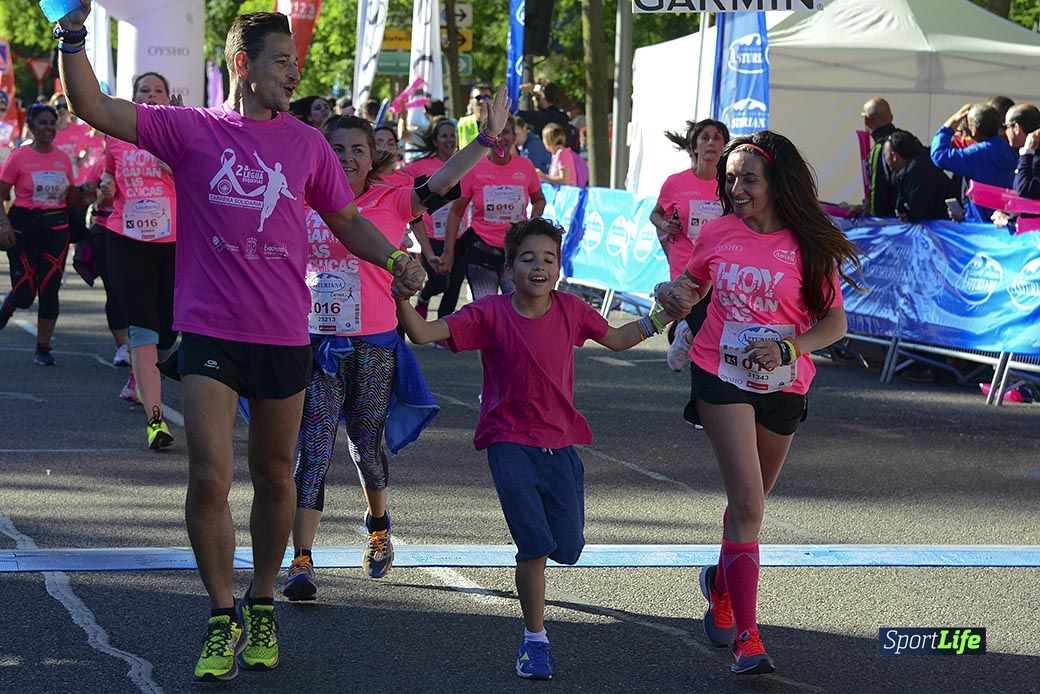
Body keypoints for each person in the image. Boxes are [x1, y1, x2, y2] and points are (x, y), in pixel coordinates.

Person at [55, 6, 425, 682]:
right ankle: (222, 614)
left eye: (293, 61)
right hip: (211, 331)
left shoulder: (308, 145)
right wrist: (70, 33)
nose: (294, 71)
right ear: (242, 66)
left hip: (285, 334)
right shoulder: (191, 129)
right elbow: (91, 105)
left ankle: (262, 601)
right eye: (281, 61)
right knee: (209, 477)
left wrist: (396, 260)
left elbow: (345, 221)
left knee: (278, 476)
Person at [396, 217, 679, 681]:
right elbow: (424, 335)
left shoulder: (571, 310)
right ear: (509, 270)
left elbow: (621, 338)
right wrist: (401, 298)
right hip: (508, 443)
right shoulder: (489, 313)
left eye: (548, 258)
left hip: (561, 444)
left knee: (566, 548)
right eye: (527, 258)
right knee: (533, 546)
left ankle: (539, 612)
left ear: (560, 268)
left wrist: (665, 316)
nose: (539, 266)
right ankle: (535, 641)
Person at [283, 87, 511, 602]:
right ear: (321, 153)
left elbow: (445, 181)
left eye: (356, 151)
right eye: (336, 150)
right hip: (315, 342)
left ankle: (379, 524)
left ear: (373, 158)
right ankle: (301, 558)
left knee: (366, 443)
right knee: (313, 447)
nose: (346, 159)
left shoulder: (392, 198)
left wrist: (486, 139)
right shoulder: (297, 198)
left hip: (375, 342)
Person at [655, 131, 862, 676]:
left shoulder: (810, 243)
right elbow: (692, 284)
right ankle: (748, 636)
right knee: (747, 503)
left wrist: (788, 346)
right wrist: (673, 295)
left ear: (777, 183)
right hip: (719, 372)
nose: (736, 188)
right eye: (730, 179)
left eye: (748, 179)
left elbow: (834, 322)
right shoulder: (720, 230)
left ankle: (722, 582)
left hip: (786, 381)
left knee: (752, 504)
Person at [104, 71, 181, 449]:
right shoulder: (116, 135)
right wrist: (103, 190)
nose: (150, 96)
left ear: (168, 97)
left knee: (167, 335)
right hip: (126, 239)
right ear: (132, 97)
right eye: (143, 91)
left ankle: (144, 371)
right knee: (143, 330)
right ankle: (156, 420)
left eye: (157, 91)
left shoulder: (182, 133)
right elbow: (108, 182)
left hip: (173, 243)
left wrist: (176, 151)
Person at [0, 103, 83, 363]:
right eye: (42, 123)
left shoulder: (62, 159)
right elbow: (1, 195)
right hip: (24, 228)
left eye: (52, 123)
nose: (48, 128)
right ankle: (10, 304)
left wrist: (85, 195)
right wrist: (4, 225)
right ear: (32, 127)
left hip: (56, 230)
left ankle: (43, 349)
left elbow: (70, 198)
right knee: (25, 293)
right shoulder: (19, 157)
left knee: (49, 289)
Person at [650, 118, 729, 371]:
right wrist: (665, 226)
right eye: (705, 137)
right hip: (687, 266)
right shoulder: (676, 183)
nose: (711, 142)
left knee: (714, 327)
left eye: (717, 138)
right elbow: (656, 214)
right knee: (701, 321)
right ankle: (685, 335)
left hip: (721, 267)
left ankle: (684, 334)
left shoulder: (730, 184)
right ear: (694, 146)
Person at [442, 113, 545, 301]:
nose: (500, 139)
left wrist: (530, 226)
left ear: (514, 137)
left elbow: (539, 200)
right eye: (495, 133)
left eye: (505, 133)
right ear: (486, 137)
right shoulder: (474, 168)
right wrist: (448, 252)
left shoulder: (525, 166)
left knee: (517, 307)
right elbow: (456, 212)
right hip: (481, 248)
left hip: (514, 249)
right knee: (487, 308)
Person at [403, 118, 468, 322]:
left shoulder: (465, 163)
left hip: (460, 232)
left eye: (452, 135)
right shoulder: (419, 167)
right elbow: (400, 183)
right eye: (444, 136)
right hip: (431, 234)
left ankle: (444, 326)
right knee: (440, 280)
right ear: (436, 141)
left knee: (455, 282)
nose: (449, 140)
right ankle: (423, 299)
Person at [930, 103, 1017, 222]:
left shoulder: (976, 155)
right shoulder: (1010, 150)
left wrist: (949, 126)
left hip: (983, 227)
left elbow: (939, 155)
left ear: (974, 129)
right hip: (1006, 221)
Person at [884, 130, 957, 222]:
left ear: (894, 156)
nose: (885, 159)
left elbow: (919, 209)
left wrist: (908, 214)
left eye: (885, 155)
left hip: (942, 224)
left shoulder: (919, 169)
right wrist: (902, 211)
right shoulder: (899, 174)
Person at [860, 97, 897, 217]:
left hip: (892, 224)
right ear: (891, 117)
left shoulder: (880, 148)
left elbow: (878, 189)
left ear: (866, 120)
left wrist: (872, 211)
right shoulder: (904, 140)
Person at [517, 81, 577, 152]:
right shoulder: (563, 116)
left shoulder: (541, 116)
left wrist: (519, 89)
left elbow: (516, 113)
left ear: (543, 96)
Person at [538, 122, 586, 187]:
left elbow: (565, 180)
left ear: (548, 140)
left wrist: (543, 177)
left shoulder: (562, 153)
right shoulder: (556, 155)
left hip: (568, 195)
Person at [457, 83, 492, 149]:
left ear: (491, 101)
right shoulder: (462, 123)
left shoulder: (496, 124)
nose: (482, 101)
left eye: (486, 97)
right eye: (478, 97)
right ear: (471, 101)